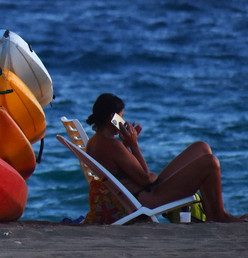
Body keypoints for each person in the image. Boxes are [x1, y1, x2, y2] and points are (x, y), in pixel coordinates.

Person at [85, 93, 245, 223]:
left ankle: (213, 211)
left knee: (201, 147)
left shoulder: (96, 142)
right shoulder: (112, 145)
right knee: (210, 163)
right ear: (110, 119)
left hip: (139, 192)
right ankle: (217, 214)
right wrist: (134, 145)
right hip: (146, 199)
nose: (122, 122)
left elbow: (120, 168)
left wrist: (127, 145)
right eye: (120, 118)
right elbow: (146, 179)